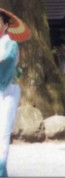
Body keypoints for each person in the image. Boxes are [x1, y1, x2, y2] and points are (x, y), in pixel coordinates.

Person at [0, 9, 24, 177]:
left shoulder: (11, 44)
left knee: (3, 130)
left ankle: (1, 167)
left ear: (6, 25)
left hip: (7, 89)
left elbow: (7, 60)